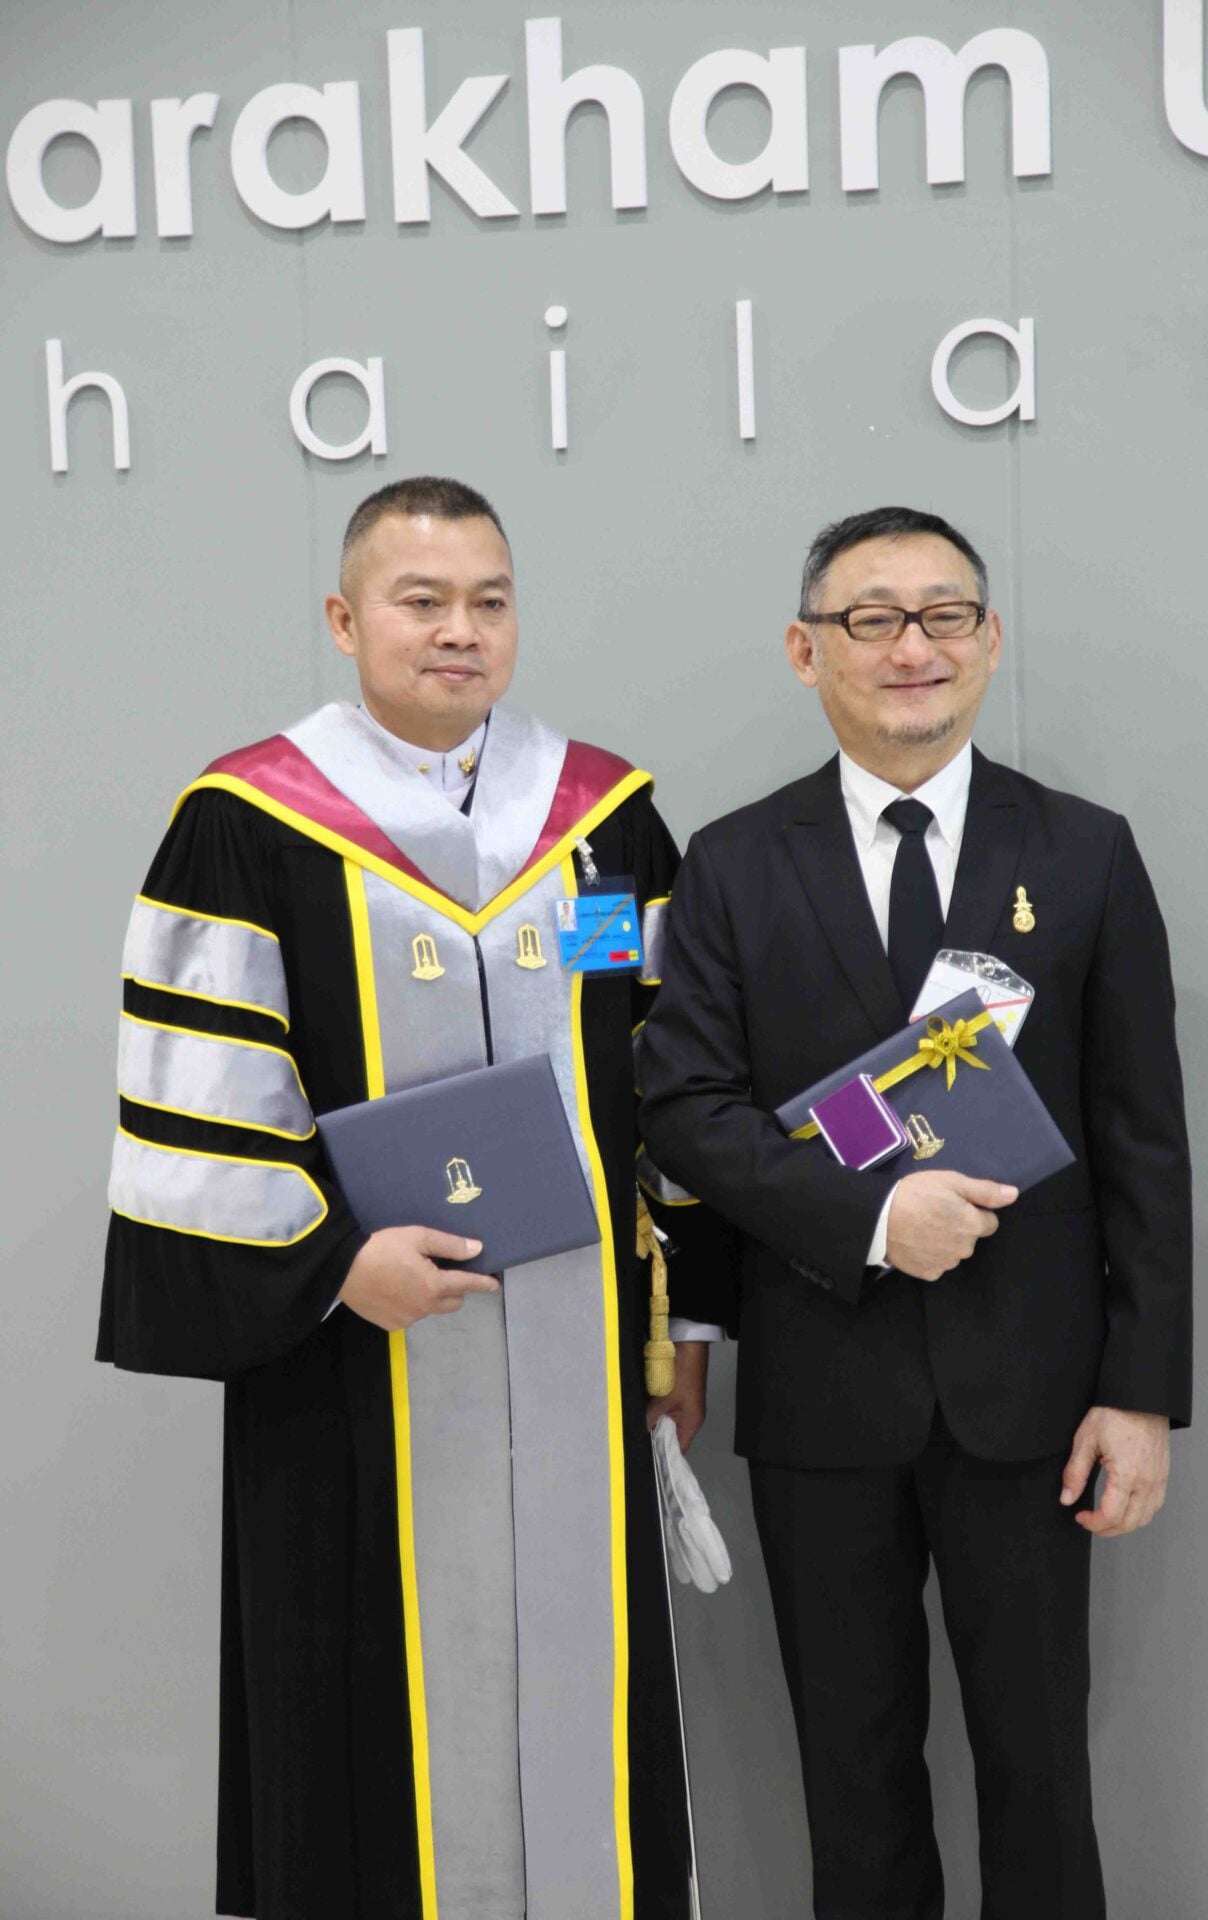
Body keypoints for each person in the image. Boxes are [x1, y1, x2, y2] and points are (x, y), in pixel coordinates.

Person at [97, 475, 725, 1920]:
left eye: (489, 602)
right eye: (421, 600)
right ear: (345, 619)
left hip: (578, 1346)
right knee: (361, 1708)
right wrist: (331, 1267)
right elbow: (202, 1102)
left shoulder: (605, 823)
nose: (460, 630)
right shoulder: (248, 824)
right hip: (355, 1358)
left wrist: (677, 1323)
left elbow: (662, 1070)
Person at [638, 505, 1193, 1920]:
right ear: (805, 649)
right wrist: (874, 1221)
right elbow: (684, 1108)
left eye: (945, 615)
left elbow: (1144, 1142)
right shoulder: (731, 864)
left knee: (1041, 1776)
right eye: (872, 618)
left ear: (989, 640)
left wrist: (1140, 1394)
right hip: (823, 1397)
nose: (912, 648)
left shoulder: (1083, 853)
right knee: (854, 1782)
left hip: (1036, 1403)